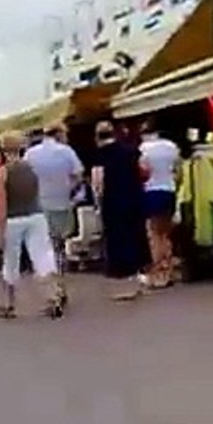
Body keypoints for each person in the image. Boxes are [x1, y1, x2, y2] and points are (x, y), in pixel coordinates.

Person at [0, 131, 63, 319]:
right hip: (36, 216)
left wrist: (0, 231)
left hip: (14, 219)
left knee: (11, 261)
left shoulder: (3, 172)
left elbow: (2, 204)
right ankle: (53, 297)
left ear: (3, 150)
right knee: (42, 258)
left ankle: (9, 304)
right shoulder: (31, 167)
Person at [23, 122, 83, 304]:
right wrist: (67, 188)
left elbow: (25, 179)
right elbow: (78, 174)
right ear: (59, 134)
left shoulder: (30, 154)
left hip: (38, 205)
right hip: (61, 204)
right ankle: (60, 284)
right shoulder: (66, 151)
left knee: (44, 248)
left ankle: (51, 288)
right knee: (59, 247)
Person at [92, 121, 151, 301]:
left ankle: (122, 277)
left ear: (97, 137)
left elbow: (98, 182)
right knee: (136, 234)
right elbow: (145, 171)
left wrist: (98, 202)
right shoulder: (131, 151)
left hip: (113, 202)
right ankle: (139, 273)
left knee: (116, 238)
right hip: (134, 199)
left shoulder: (99, 155)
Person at [139, 120, 181, 289]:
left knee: (154, 234)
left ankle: (158, 274)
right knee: (166, 234)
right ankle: (168, 271)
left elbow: (142, 171)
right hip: (169, 190)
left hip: (152, 191)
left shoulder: (144, 148)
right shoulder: (172, 147)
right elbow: (178, 170)